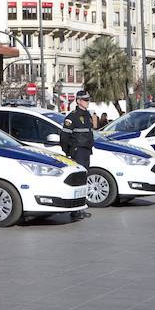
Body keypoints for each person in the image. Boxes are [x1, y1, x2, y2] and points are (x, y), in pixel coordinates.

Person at [61, 90, 94, 220]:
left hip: (86, 151)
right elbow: (64, 137)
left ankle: (80, 207)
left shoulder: (87, 115)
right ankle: (75, 210)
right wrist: (69, 152)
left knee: (84, 180)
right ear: (78, 101)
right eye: (85, 100)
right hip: (78, 151)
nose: (88, 102)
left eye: (88, 100)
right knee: (78, 181)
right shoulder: (72, 117)